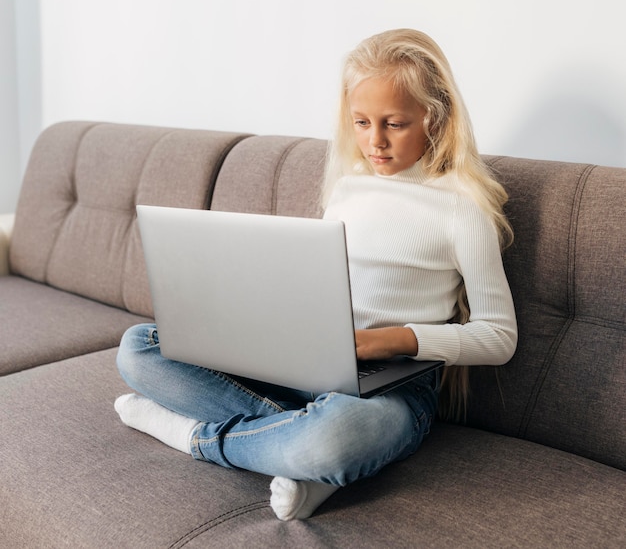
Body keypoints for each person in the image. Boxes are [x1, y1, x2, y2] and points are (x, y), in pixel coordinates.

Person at [114, 28, 517, 521]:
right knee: (139, 347)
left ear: (433, 117)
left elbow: (498, 337)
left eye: (394, 123)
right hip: (305, 364)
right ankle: (301, 453)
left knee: (337, 436)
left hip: (391, 387)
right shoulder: (348, 187)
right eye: (362, 122)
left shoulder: (462, 208)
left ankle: (194, 436)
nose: (375, 141)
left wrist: (387, 341)